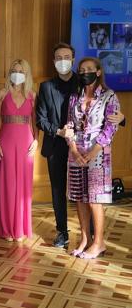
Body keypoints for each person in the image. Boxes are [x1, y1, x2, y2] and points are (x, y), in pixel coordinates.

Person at [36, 43, 124, 248]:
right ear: (53, 61)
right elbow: (40, 119)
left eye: (66, 57)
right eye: (58, 57)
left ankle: (93, 234)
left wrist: (122, 118)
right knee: (59, 190)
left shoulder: (84, 81)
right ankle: (62, 232)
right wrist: (59, 131)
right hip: (58, 145)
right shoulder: (46, 86)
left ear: (73, 59)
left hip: (87, 147)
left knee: (89, 192)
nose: (62, 61)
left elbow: (106, 112)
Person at [65, 57, 120, 259]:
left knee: (95, 200)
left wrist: (92, 152)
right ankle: (85, 239)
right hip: (76, 155)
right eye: (81, 69)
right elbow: (69, 125)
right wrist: (74, 149)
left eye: (89, 69)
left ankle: (99, 243)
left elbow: (110, 128)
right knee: (80, 198)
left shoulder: (109, 95)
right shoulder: (74, 97)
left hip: (98, 156)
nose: (85, 72)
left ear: (98, 72)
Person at [0, 59, 38, 241]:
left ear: (27, 75)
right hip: (6, 141)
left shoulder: (32, 95)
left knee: (23, 185)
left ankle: (20, 227)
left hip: (26, 141)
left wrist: (36, 140)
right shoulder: (2, 93)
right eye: (14, 70)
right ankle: (5, 227)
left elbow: (35, 121)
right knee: (7, 183)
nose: (17, 73)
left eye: (21, 71)